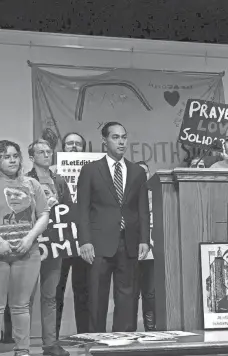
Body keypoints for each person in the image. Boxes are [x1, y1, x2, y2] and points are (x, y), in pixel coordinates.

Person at [77, 122, 150, 332]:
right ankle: (95, 344)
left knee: (127, 296)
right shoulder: (90, 170)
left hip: (129, 242)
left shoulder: (137, 171)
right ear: (104, 141)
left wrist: (144, 238)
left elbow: (142, 209)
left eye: (124, 137)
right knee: (97, 298)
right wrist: (85, 241)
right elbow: (82, 209)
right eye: (115, 137)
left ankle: (123, 344)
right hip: (99, 243)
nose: (121, 142)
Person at [0, 140, 50, 356]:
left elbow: (44, 214)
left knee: (20, 306)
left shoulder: (32, 184)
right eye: (5, 156)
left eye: (14, 155)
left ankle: (23, 351)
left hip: (27, 253)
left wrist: (30, 238)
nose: (12, 160)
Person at [26, 139, 72, 356]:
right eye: (41, 152)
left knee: (50, 295)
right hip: (32, 243)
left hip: (55, 243)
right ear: (32, 157)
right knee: (24, 298)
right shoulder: (24, 180)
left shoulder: (60, 181)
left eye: (48, 151)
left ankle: (50, 345)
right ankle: (22, 345)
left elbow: (69, 209)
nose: (46, 155)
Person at [55, 132, 89, 338]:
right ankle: (53, 339)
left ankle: (85, 336)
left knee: (84, 291)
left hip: (85, 239)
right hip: (59, 239)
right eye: (70, 144)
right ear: (63, 148)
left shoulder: (94, 171)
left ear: (83, 149)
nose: (74, 147)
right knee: (55, 292)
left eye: (78, 144)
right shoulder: (52, 174)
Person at [132, 161, 156, 331]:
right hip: (130, 252)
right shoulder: (126, 196)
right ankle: (129, 329)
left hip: (152, 252)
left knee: (150, 292)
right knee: (131, 294)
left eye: (145, 172)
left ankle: (150, 328)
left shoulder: (158, 195)